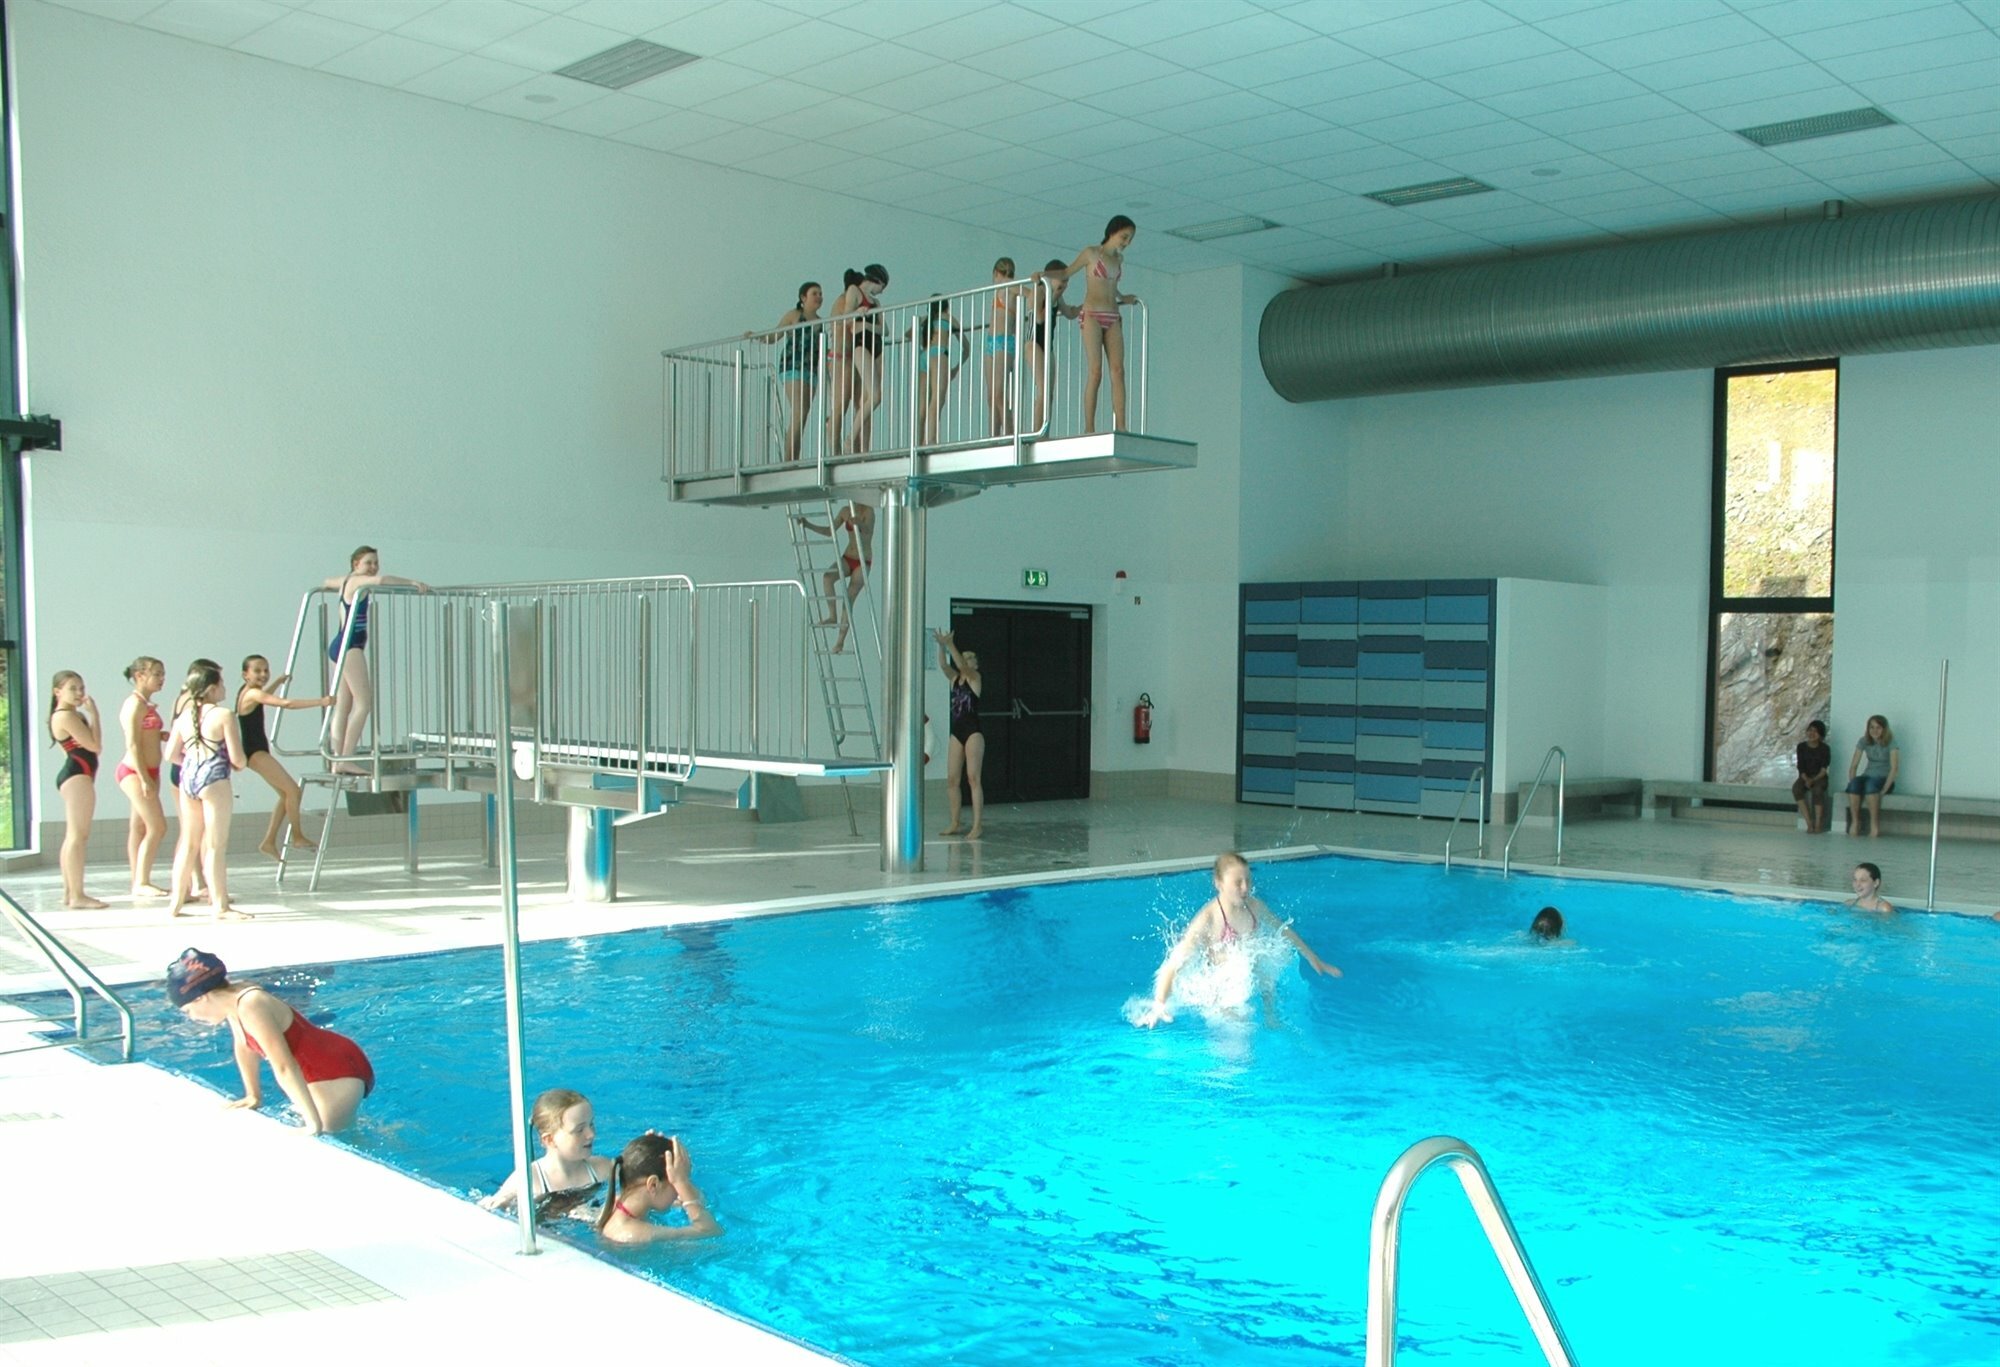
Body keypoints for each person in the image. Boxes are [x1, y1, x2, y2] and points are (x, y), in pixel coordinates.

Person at [168, 948, 373, 1135]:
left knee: (331, 1136)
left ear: (201, 998)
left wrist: (313, 1124)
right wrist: (253, 1095)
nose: (192, 1017)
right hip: (324, 1063)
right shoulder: (233, 1002)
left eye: (188, 1010)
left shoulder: (251, 1004)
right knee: (342, 1130)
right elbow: (244, 1046)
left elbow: (284, 1066)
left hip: (335, 1070)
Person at [1136, 852, 1341, 1028]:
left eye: (1248, 881)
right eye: (1237, 882)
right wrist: (1159, 1003)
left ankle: (1271, 1017)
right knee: (1239, 1037)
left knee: (1262, 965)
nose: (1245, 888)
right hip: (1221, 989)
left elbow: (1283, 930)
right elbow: (1174, 963)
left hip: (1247, 978)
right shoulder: (1209, 918)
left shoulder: (1254, 906)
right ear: (1219, 884)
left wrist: (1313, 957)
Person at [322, 545, 431, 772]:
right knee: (364, 704)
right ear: (356, 564)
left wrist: (335, 583)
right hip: (350, 647)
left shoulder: (347, 580)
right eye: (368, 563)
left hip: (339, 644)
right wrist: (412, 582)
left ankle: (337, 759)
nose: (373, 567)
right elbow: (382, 580)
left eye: (375, 563)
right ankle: (345, 758)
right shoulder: (357, 582)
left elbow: (327, 581)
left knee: (344, 705)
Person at [162, 660, 248, 920]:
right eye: (221, 684)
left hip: (188, 776)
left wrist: (193, 763)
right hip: (214, 777)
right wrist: (234, 764)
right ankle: (220, 905)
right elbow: (238, 759)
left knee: (189, 843)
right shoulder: (223, 715)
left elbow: (170, 755)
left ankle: (175, 904)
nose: (225, 688)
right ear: (211, 688)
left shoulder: (183, 717)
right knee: (215, 845)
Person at [1044, 215, 1139, 434]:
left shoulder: (1119, 260)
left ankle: (1121, 425)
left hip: (1112, 314)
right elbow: (1067, 272)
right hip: (1092, 314)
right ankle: (1089, 427)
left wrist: (1123, 297)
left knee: (1118, 370)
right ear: (1112, 232)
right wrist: (1043, 275)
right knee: (1096, 371)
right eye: (1124, 237)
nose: (1127, 242)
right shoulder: (1091, 253)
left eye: (1130, 239)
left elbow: (1111, 285)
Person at [235, 655, 334, 861]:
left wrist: (277, 682)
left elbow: (263, 697)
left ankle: (269, 842)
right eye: (257, 671)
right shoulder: (252, 693)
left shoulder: (248, 692)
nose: (263, 674)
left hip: (255, 751)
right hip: (256, 753)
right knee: (293, 791)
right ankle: (297, 836)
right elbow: (286, 704)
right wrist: (321, 702)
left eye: (266, 670)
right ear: (245, 674)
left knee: (285, 795)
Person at [480, 1087, 616, 1221]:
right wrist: (500, 1203)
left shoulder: (604, 1169)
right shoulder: (529, 1180)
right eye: (579, 1130)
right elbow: (492, 1210)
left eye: (591, 1124)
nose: (591, 1134)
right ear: (550, 1140)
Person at [594, 1132, 721, 1244]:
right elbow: (711, 1231)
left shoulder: (618, 1203)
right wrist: (681, 1181)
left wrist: (650, 1152)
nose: (679, 1192)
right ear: (653, 1185)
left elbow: (698, 1201)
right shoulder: (636, 1234)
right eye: (675, 1184)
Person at [48, 670, 107, 909]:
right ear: (57, 692)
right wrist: (95, 715)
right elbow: (95, 746)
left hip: (78, 774)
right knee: (77, 836)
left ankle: (69, 892)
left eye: (81, 688)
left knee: (74, 835)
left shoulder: (73, 715)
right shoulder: (65, 716)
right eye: (72, 688)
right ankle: (77, 895)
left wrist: (90, 716)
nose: (79, 693)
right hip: (77, 775)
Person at [114, 657, 171, 897]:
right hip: (135, 772)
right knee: (157, 827)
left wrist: (160, 735)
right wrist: (144, 778)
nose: (161, 679)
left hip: (150, 771)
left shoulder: (147, 704)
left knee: (138, 827)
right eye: (156, 674)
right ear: (140, 676)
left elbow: (145, 735)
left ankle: (137, 879)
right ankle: (142, 882)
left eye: (162, 674)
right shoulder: (134, 704)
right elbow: (133, 744)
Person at [797, 501, 875, 654]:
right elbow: (829, 531)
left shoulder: (868, 511)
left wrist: (859, 523)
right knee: (827, 577)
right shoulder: (845, 511)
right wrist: (807, 525)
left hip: (863, 560)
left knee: (848, 600)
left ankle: (840, 642)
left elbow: (868, 531)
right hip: (848, 556)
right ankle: (832, 616)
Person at [758, 281, 822, 463]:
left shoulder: (820, 321)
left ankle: (794, 458)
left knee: (802, 416)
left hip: (811, 369)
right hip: (792, 366)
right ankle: (788, 460)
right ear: (803, 297)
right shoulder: (794, 315)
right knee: (799, 412)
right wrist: (758, 336)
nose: (819, 297)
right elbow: (775, 335)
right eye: (814, 293)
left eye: (820, 294)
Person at [828, 265, 889, 454]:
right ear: (876, 281)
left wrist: (866, 325)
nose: (882, 292)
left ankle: (859, 446)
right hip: (860, 345)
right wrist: (858, 314)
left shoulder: (876, 302)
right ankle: (848, 440)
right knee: (874, 396)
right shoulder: (854, 291)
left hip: (875, 346)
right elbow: (846, 318)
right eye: (882, 287)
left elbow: (885, 330)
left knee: (872, 398)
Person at [935, 628, 984, 839]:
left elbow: (962, 666)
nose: (966, 660)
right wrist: (941, 646)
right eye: (965, 657)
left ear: (976, 664)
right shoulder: (954, 679)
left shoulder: (975, 678)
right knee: (952, 779)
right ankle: (955, 821)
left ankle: (977, 825)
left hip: (973, 733)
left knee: (973, 778)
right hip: (957, 732)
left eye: (970, 658)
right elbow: (944, 665)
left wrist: (950, 644)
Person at [1025, 257, 1078, 432]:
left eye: (1067, 281)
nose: (1065, 285)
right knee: (1042, 390)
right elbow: (1039, 318)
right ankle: (1036, 431)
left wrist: (1088, 306)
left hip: (1048, 346)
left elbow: (1070, 313)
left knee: (1050, 394)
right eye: (1062, 280)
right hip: (1033, 343)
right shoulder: (1039, 291)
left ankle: (1045, 431)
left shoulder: (1057, 296)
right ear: (1051, 278)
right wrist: (1054, 295)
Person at [915, 294, 968, 447]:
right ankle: (931, 440)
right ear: (946, 306)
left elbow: (908, 334)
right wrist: (955, 369)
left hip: (924, 355)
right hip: (939, 354)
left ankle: (918, 442)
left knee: (922, 405)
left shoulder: (925, 320)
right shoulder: (948, 318)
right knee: (937, 400)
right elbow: (966, 348)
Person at [1843, 713, 1899, 838]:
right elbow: (1854, 765)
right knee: (1855, 785)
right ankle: (1855, 822)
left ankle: (1874, 825)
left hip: (1883, 779)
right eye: (1872, 727)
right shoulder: (1864, 741)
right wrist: (1853, 783)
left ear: (1884, 729)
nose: (1874, 730)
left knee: (1870, 785)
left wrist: (1884, 790)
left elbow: (1894, 769)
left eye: (1878, 727)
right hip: (1867, 776)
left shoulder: (1891, 742)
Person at [985, 257, 1022, 437]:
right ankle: (993, 435)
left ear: (996, 273)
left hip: (1004, 341)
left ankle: (1009, 433)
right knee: (991, 395)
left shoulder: (1011, 286)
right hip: (991, 341)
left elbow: (1030, 294)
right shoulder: (998, 291)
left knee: (999, 392)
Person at [1793, 720, 1832, 834]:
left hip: (1819, 777)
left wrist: (1813, 780)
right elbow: (1800, 766)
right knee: (1796, 789)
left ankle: (1818, 823)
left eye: (1815, 731)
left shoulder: (1825, 748)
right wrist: (1806, 779)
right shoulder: (1801, 747)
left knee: (1818, 790)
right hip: (1805, 776)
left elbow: (1824, 769)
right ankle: (1809, 822)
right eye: (1810, 730)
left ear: (1820, 735)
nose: (1812, 734)